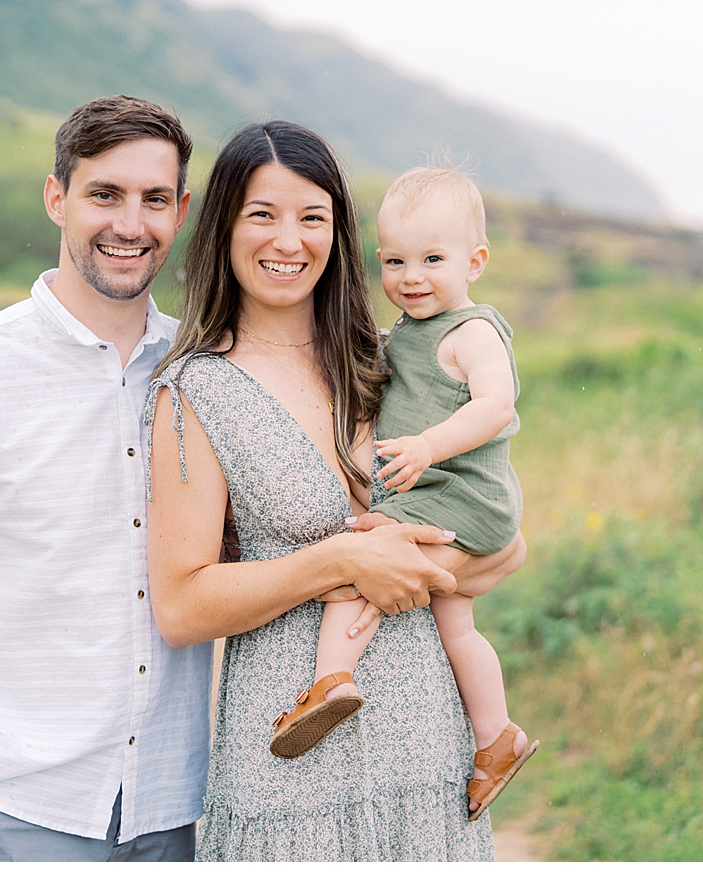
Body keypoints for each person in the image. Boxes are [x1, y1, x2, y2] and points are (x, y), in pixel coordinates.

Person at [0, 97, 509, 862]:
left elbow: (487, 521)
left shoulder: (376, 360)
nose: (130, 223)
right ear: (56, 197)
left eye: (154, 199)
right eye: (105, 194)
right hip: (28, 793)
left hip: (204, 788)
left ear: (183, 211)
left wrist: (483, 552)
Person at [145, 121, 527, 861]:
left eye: (312, 217)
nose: (289, 239)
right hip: (291, 759)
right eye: (263, 214)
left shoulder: (384, 358)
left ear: (338, 234)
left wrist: (441, 558)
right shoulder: (194, 391)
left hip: (426, 744)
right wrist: (346, 563)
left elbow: (499, 544)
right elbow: (182, 606)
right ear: (222, 224)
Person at [283, 167, 538, 824]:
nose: (411, 275)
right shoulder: (405, 334)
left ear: (475, 261)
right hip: (440, 496)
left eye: (432, 258)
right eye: (395, 260)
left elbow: (496, 405)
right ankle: (496, 736)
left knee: (362, 554)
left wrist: (429, 445)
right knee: (459, 625)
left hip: (464, 493)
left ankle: (331, 679)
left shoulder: (472, 330)